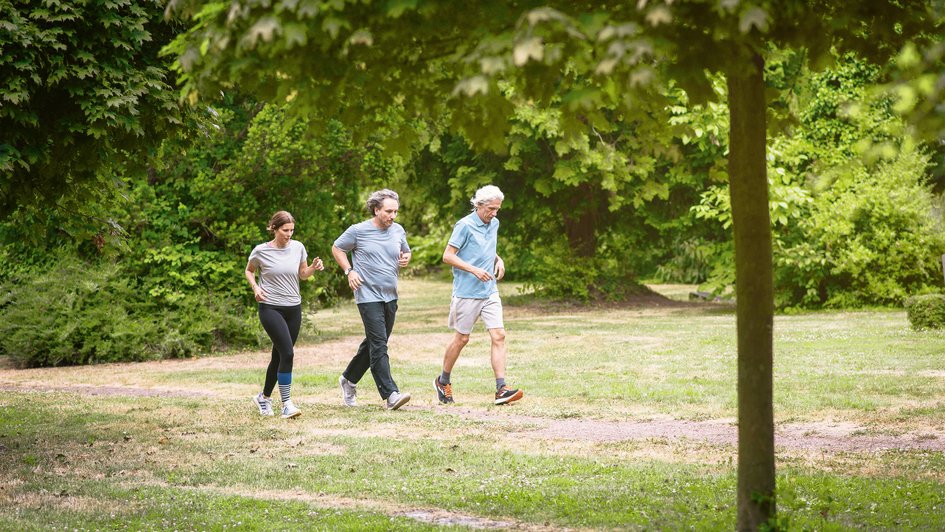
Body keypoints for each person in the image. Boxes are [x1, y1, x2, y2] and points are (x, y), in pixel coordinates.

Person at [434, 185, 523, 406]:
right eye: (491, 208)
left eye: (497, 209)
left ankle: (501, 388)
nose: (494, 213)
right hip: (467, 292)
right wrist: (473, 269)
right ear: (479, 205)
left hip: (489, 291)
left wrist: (497, 259)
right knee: (462, 339)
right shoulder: (464, 226)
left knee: (499, 335)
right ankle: (443, 381)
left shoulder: (495, 223)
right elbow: (448, 256)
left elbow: (486, 248)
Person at [331, 189, 412, 410]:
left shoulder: (398, 230)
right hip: (367, 295)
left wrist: (406, 257)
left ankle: (348, 379)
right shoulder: (358, 231)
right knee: (379, 344)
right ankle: (391, 394)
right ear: (376, 210)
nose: (392, 215)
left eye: (395, 211)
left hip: (390, 295)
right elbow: (337, 248)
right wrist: (350, 271)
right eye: (388, 211)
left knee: (376, 342)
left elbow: (406, 250)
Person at [246, 211, 324, 419]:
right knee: (288, 353)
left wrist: (314, 268)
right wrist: (255, 288)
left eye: (291, 230)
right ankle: (286, 404)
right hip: (270, 307)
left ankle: (263, 397)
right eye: (285, 230)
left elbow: (303, 274)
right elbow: (249, 270)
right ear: (274, 228)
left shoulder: (298, 247)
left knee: (279, 355)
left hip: (293, 308)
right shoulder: (261, 251)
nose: (289, 234)